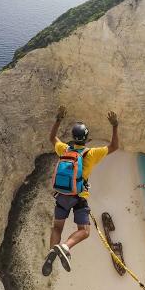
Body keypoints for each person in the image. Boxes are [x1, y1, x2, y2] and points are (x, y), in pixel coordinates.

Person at [41, 105, 119, 276]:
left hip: (61, 196)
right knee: (84, 231)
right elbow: (114, 146)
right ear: (86, 137)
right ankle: (65, 247)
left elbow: (52, 137)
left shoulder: (64, 149)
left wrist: (58, 119)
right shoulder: (90, 154)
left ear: (73, 137)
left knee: (57, 228)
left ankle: (51, 254)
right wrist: (114, 125)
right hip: (78, 198)